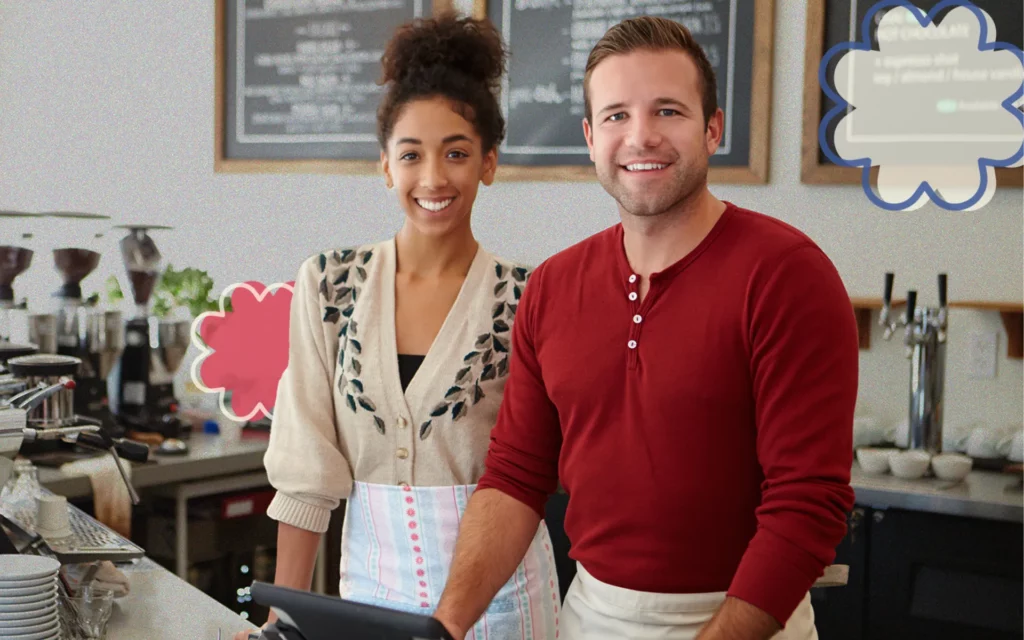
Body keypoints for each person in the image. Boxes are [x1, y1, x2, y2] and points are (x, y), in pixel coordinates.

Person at [432, 15, 859, 640]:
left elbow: (808, 504)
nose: (641, 136)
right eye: (616, 116)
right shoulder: (552, 287)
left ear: (712, 128)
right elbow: (516, 478)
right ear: (589, 136)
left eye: (668, 111)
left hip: (746, 620)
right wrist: (443, 626)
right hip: (592, 618)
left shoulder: (787, 276)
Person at [239, 12, 560, 640]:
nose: (434, 178)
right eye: (411, 154)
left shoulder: (531, 296)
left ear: (489, 163)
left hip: (502, 608)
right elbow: (308, 471)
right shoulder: (329, 285)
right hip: (369, 599)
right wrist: (282, 620)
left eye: (457, 153)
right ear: (385, 165)